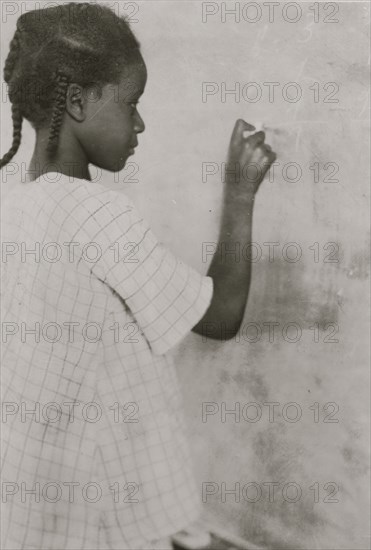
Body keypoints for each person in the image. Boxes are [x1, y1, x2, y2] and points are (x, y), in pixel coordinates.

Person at [0, 3, 276, 549]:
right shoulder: (98, 215)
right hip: (98, 512)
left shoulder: (12, 208)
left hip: (29, 500)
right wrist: (241, 192)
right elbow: (219, 318)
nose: (140, 123)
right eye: (132, 103)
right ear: (77, 101)